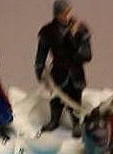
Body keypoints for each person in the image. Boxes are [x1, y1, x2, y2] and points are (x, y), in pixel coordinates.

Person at [34, 0, 92, 138]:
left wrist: (73, 38)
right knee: (55, 98)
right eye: (64, 13)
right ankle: (54, 120)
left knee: (75, 98)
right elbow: (41, 53)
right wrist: (39, 69)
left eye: (68, 12)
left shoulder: (81, 29)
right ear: (57, 14)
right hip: (58, 71)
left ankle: (76, 123)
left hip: (75, 71)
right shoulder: (48, 31)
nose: (68, 15)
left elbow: (87, 55)